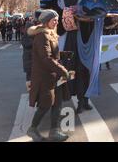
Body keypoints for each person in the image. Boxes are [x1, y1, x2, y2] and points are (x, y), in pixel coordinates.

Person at [26, 9, 75, 142]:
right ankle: (32, 129)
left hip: (54, 76)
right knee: (45, 105)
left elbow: (53, 54)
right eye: (54, 20)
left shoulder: (51, 34)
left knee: (57, 103)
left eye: (57, 20)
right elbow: (46, 58)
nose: (56, 22)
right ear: (46, 21)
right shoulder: (42, 36)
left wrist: (64, 54)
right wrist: (63, 70)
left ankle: (54, 131)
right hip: (45, 77)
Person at [22, 10, 43, 91]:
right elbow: (26, 43)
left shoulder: (34, 26)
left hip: (32, 59)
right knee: (30, 78)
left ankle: (33, 93)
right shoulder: (30, 27)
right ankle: (32, 94)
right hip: (30, 59)